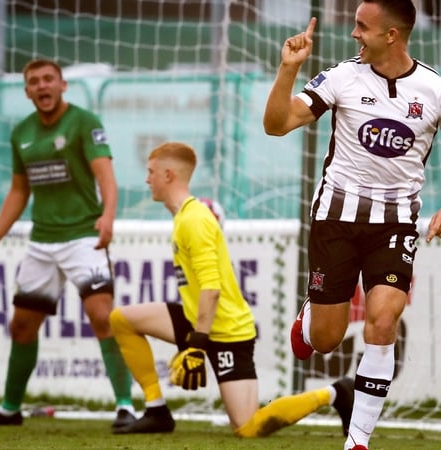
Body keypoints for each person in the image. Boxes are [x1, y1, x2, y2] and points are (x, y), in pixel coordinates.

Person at [263, 1, 441, 449]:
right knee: (325, 340)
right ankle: (308, 323)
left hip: (396, 224)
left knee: (383, 320)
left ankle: (357, 440)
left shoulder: (437, 90)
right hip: (335, 220)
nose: (354, 33)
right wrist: (288, 70)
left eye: (363, 26)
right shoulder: (340, 78)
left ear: (392, 35)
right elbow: (277, 125)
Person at [108, 141, 354, 437]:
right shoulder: (185, 215)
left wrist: (196, 345)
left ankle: (336, 393)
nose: (147, 179)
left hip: (227, 330)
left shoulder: (194, 220)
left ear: (169, 175)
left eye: (151, 173)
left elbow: (211, 288)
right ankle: (157, 410)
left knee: (248, 428)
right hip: (196, 317)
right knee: (121, 320)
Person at [0, 59, 136, 429]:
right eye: (34, 82)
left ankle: (125, 406)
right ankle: (9, 409)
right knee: (22, 326)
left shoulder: (84, 122)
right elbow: (19, 190)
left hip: (83, 238)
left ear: (62, 85)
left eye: (48, 79)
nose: (42, 86)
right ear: (26, 91)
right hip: (41, 242)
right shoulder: (22, 132)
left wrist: (108, 216)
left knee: (103, 317)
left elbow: (105, 174)